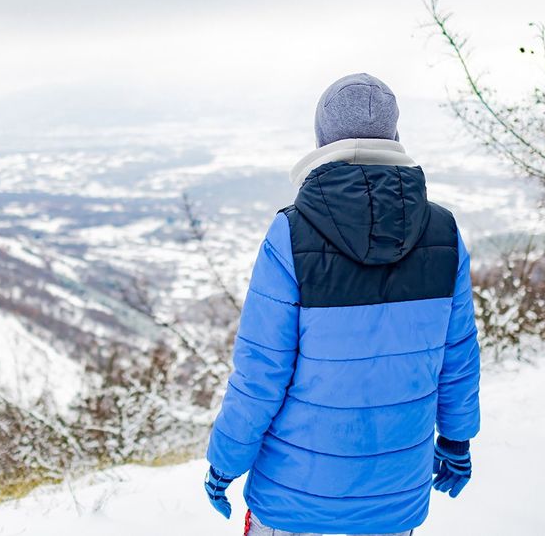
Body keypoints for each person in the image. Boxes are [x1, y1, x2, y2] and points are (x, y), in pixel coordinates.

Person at [203, 73, 481, 536]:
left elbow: (261, 373)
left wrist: (225, 462)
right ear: (395, 135)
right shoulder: (443, 234)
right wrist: (455, 439)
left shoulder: (290, 235)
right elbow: (458, 360)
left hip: (292, 500)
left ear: (321, 139)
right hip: (394, 500)